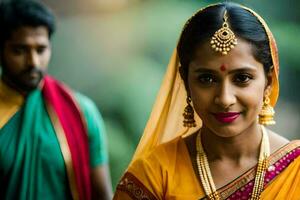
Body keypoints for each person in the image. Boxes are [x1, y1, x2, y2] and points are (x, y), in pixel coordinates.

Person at [113, 2, 300, 200]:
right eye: (206, 79)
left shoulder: (295, 170)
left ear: (269, 81)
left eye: (242, 78)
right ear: (185, 81)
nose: (225, 99)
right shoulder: (153, 175)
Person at [0, 1, 113, 199]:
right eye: (19, 50)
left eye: (41, 50)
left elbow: (102, 195)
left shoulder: (81, 112)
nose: (33, 62)